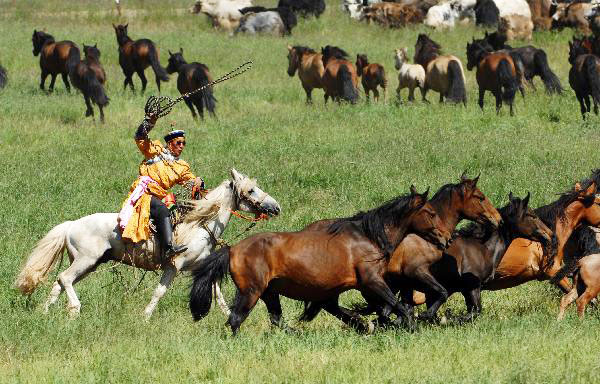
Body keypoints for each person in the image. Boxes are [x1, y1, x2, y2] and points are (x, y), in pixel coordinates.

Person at [118, 113, 204, 259]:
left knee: (177, 212)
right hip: (145, 192)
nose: (182, 146)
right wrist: (149, 123)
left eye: (184, 143)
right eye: (178, 143)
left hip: (160, 195)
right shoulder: (155, 151)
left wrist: (198, 182)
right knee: (162, 209)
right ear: (170, 144)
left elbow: (190, 181)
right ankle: (169, 247)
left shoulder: (181, 166)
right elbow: (140, 138)